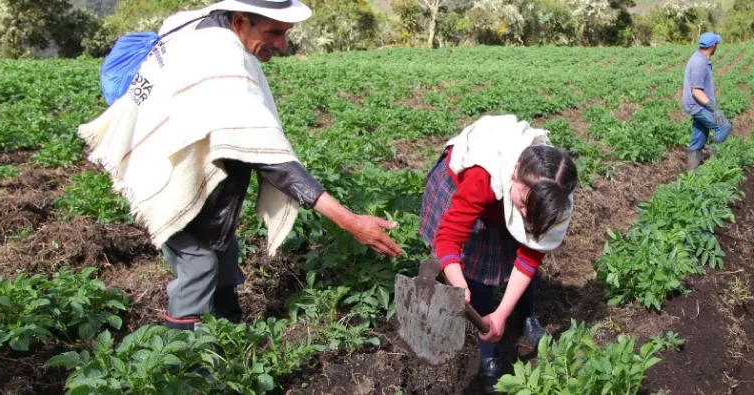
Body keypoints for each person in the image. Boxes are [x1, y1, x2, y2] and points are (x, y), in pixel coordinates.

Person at [77, 0, 403, 332]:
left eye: (285, 32)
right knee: (200, 266)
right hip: (163, 180)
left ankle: (228, 337)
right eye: (273, 32)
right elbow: (273, 161)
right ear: (239, 22)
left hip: (187, 172)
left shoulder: (204, 26)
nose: (281, 44)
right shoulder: (222, 60)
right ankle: (176, 360)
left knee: (223, 254)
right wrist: (350, 221)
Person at [418, 115, 577, 393]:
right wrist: (458, 281)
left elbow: (530, 256)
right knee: (477, 276)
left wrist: (502, 313)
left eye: (535, 211)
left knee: (520, 260)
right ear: (514, 173)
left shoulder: (554, 196)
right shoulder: (484, 173)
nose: (526, 216)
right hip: (462, 187)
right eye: (524, 205)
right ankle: (489, 354)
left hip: (507, 194)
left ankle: (524, 315)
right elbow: (449, 237)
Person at [681, 31, 731, 171]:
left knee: (699, 136)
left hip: (700, 105)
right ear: (713, 45)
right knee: (723, 126)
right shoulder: (699, 63)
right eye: (717, 44)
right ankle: (715, 166)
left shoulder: (701, 59)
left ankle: (692, 173)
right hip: (698, 106)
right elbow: (696, 91)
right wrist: (714, 109)